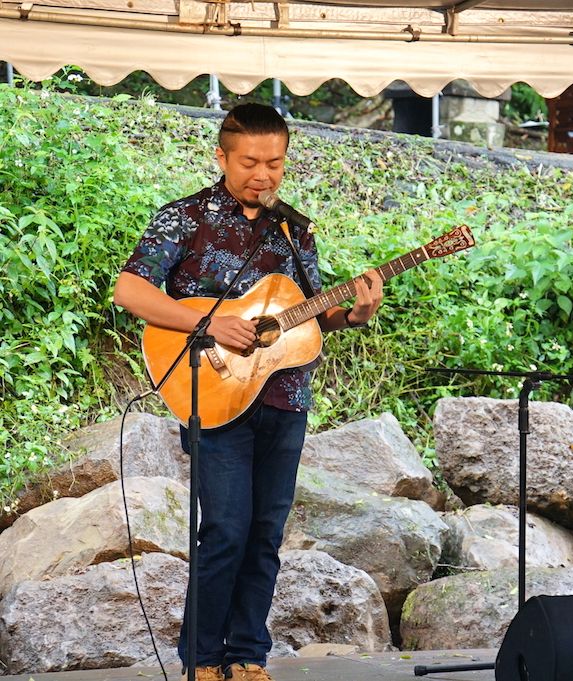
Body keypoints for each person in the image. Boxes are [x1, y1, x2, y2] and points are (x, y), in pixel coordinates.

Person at [112, 103, 383, 681]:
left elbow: (308, 318)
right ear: (222, 157)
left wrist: (354, 315)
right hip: (212, 396)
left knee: (264, 535)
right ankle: (203, 658)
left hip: (285, 399)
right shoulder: (185, 219)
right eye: (250, 162)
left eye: (275, 164)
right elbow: (130, 290)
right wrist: (206, 323)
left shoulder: (295, 227)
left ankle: (246, 655)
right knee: (226, 531)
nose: (263, 175)